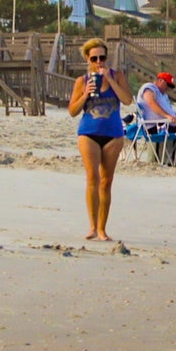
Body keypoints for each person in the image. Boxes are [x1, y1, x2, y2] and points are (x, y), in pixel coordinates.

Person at [69, 38, 127, 242]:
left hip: (113, 133)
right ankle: (92, 226)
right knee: (92, 177)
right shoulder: (82, 81)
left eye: (102, 57)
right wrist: (85, 95)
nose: (99, 62)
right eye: (94, 58)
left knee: (106, 181)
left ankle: (103, 229)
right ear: (88, 58)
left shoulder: (117, 75)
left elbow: (127, 100)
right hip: (89, 133)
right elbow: (72, 111)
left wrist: (110, 80)